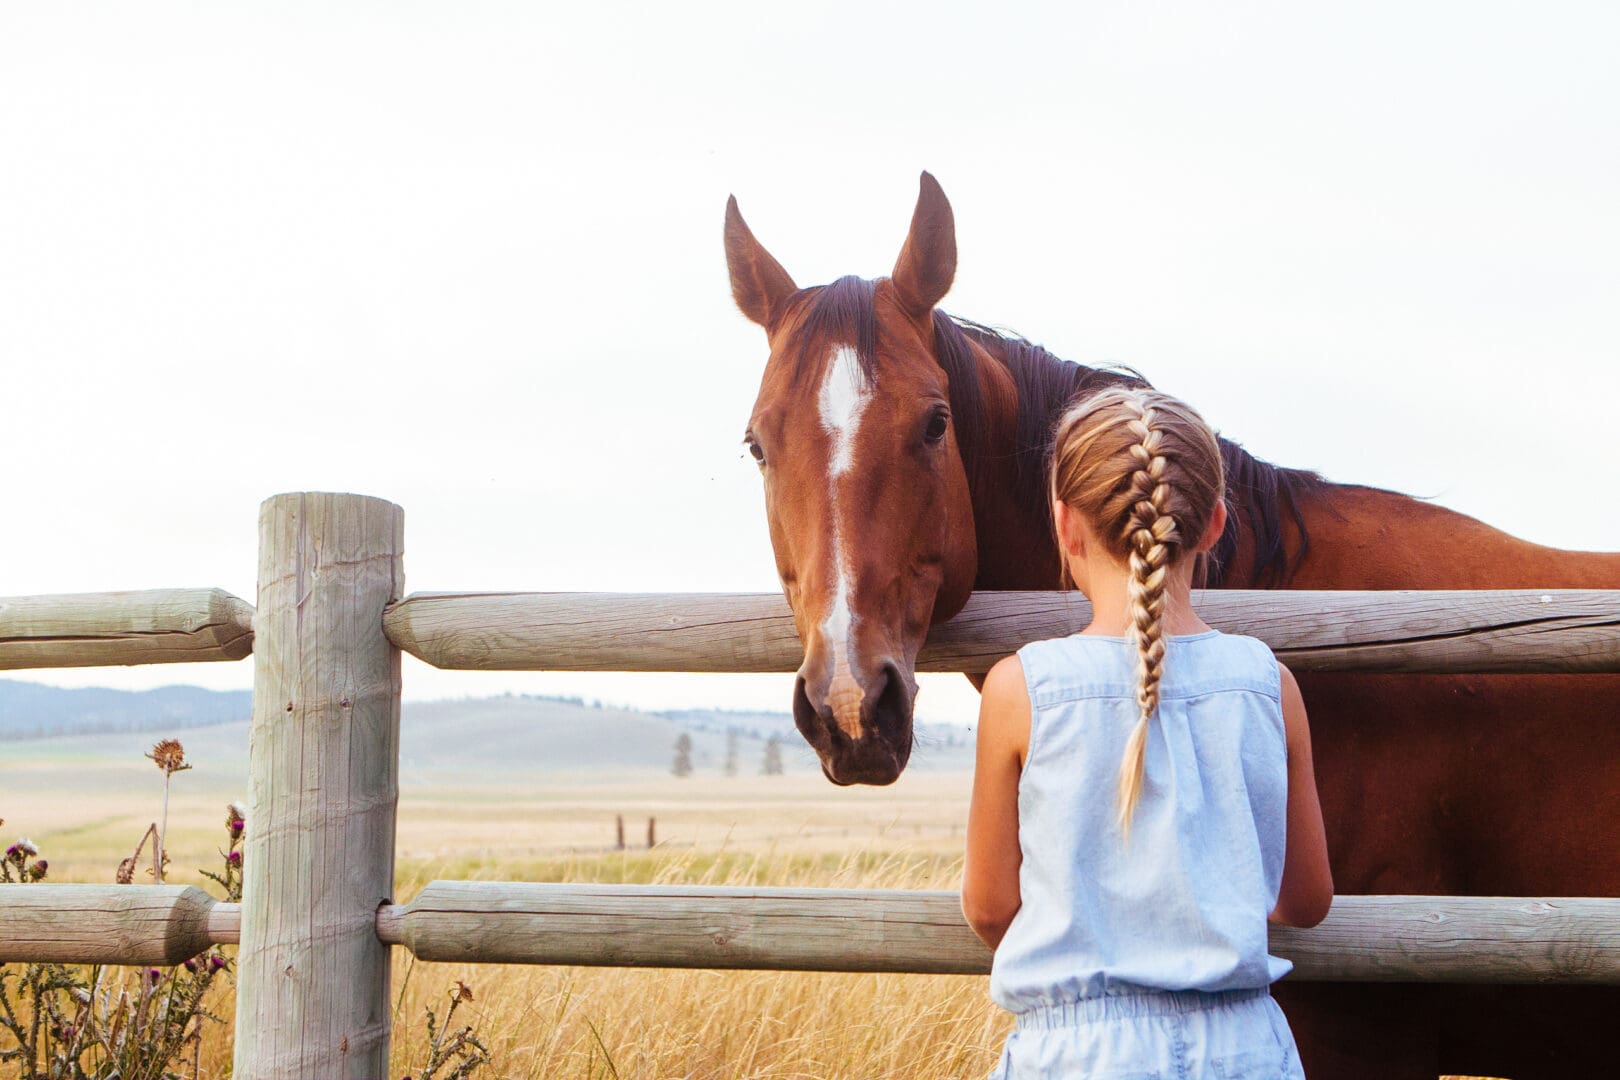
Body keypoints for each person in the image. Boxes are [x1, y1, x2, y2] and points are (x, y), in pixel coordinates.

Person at [961, 386, 1334, 1078]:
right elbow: (1306, 901)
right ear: (1216, 523)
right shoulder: (1268, 683)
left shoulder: (1021, 689)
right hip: (1245, 1047)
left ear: (1065, 525)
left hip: (1077, 1054)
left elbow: (989, 907)